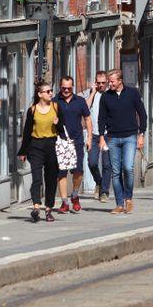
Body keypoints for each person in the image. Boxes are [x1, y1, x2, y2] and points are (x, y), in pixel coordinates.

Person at [98, 69, 147, 215]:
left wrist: (141, 134)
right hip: (112, 137)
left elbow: (142, 114)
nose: (109, 84)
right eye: (109, 81)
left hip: (130, 137)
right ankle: (119, 204)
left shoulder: (132, 93)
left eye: (112, 81)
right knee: (115, 171)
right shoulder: (106, 97)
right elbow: (101, 118)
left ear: (120, 81)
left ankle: (128, 198)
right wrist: (101, 137)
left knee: (128, 167)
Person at [17, 81, 68, 222]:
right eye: (47, 91)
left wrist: (58, 125)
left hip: (52, 146)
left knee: (51, 179)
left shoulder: (56, 107)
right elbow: (27, 132)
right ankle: (36, 207)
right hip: (36, 146)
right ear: (40, 94)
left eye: (51, 91)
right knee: (37, 178)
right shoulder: (32, 110)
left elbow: (63, 131)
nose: (51, 93)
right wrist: (23, 151)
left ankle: (48, 209)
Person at [56, 76, 92, 213]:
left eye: (69, 88)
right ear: (60, 87)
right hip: (61, 141)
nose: (66, 90)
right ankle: (64, 202)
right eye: (63, 88)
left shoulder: (80, 101)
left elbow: (87, 119)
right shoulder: (55, 101)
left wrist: (89, 138)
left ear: (73, 87)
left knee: (78, 171)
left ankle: (75, 195)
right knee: (62, 172)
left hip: (77, 141)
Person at [84, 70, 113, 202]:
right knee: (92, 163)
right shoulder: (92, 94)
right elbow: (85, 108)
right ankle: (99, 182)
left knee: (107, 164)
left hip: (108, 135)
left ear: (107, 82)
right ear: (95, 83)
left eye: (103, 83)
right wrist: (93, 92)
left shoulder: (110, 95)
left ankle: (104, 192)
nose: (101, 85)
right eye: (98, 83)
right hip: (94, 135)